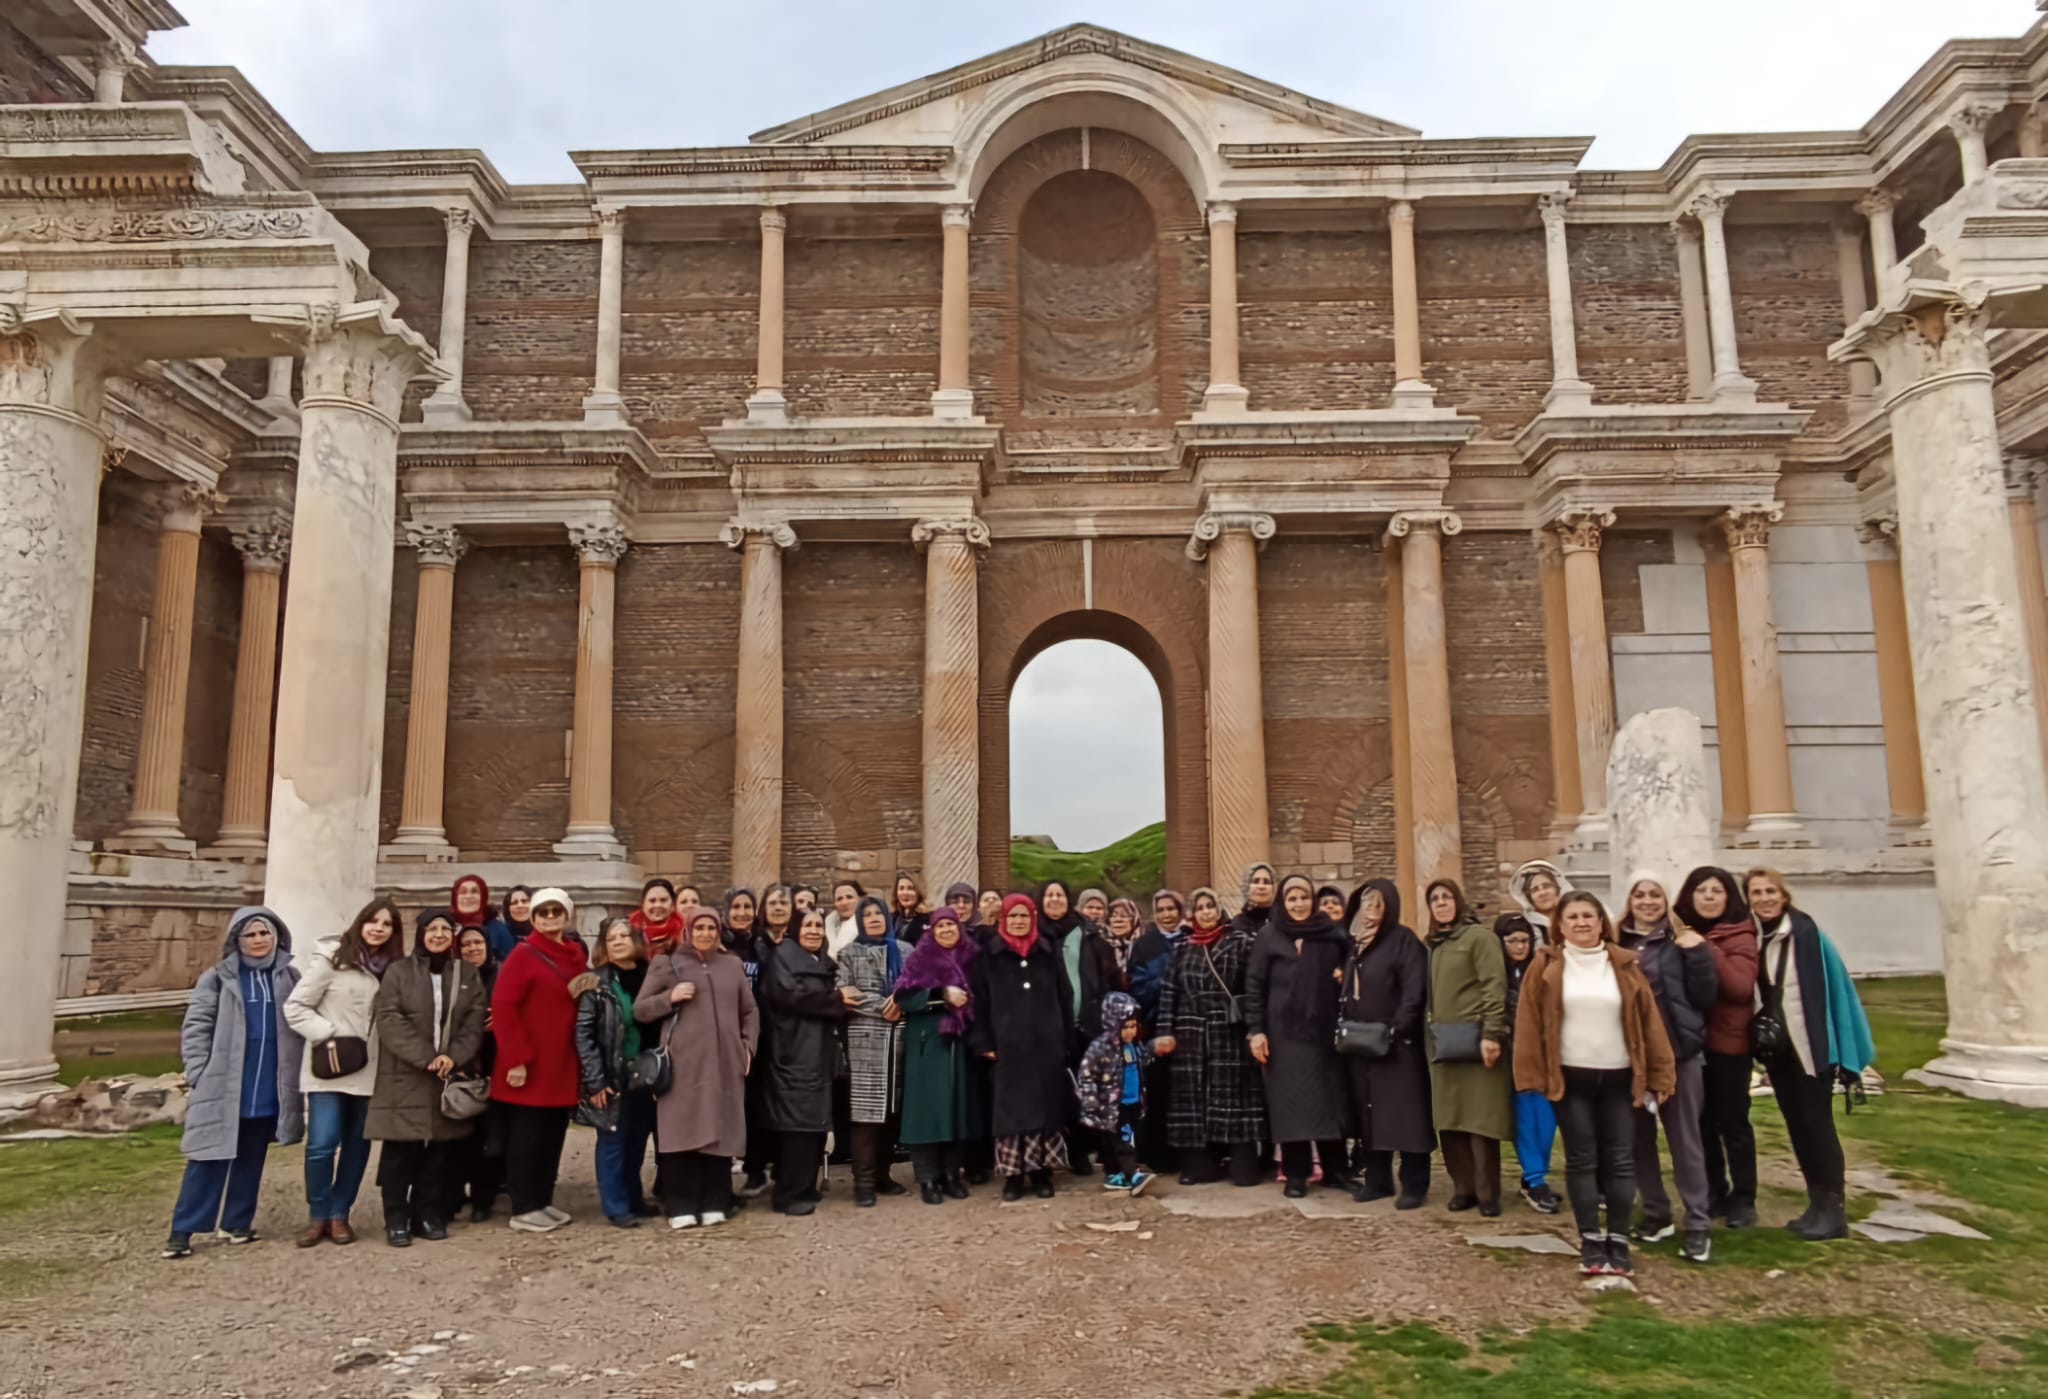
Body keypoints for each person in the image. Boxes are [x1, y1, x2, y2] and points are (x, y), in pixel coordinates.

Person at [1513, 891, 1676, 1278]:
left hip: (1620, 1076)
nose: (1582, 923)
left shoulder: (1624, 965)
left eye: (1589, 916)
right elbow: (1529, 1023)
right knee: (1581, 1158)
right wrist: (1530, 1075)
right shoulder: (1547, 965)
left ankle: (1618, 1241)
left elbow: (1649, 1021)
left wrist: (1661, 1073)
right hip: (1571, 1077)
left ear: (1602, 922)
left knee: (1620, 1158)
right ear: (1561, 925)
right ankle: (1590, 1241)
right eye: (1573, 917)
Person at [162, 907, 304, 1260]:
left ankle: (237, 1222)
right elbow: (196, 1027)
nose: (258, 940)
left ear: (276, 936)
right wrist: (198, 1072)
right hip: (225, 1085)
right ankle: (183, 1230)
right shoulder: (218, 978)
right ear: (236, 940)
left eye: (264, 933)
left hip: (268, 1086)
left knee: (251, 1158)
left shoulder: (289, 977)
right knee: (207, 1159)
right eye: (251, 935)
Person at [1746, 869, 1876, 1242]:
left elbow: (1833, 990)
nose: (1764, 898)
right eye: (1756, 892)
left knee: (1818, 1128)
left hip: (1811, 1048)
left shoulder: (1806, 934)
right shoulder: (1760, 936)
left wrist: (1841, 1048)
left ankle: (1833, 1209)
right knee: (1799, 1127)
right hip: (1782, 1050)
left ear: (1784, 895)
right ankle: (1816, 1204)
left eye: (1770, 891)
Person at [367, 909, 487, 1247]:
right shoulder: (398, 972)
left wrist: (453, 1057)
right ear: (420, 934)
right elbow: (389, 1018)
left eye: (445, 929)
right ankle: (395, 1217)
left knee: (437, 1152)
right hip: (406, 1073)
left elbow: (473, 1022)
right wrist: (426, 1057)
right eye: (431, 929)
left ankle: (426, 1212)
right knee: (399, 1151)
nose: (438, 935)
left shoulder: (466, 973)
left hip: (444, 1074)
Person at [284, 897, 399, 1247]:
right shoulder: (332, 961)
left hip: (370, 1069)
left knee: (357, 1145)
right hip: (330, 1067)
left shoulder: (393, 969)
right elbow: (296, 1007)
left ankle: (339, 1214)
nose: (378, 928)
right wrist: (329, 1035)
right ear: (360, 923)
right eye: (372, 921)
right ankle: (317, 1213)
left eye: (387, 924)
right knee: (321, 1144)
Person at [1617, 871, 1718, 1263]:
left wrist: (1696, 954)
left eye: (1654, 894)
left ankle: (1697, 1222)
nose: (1646, 901)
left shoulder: (1683, 941)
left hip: (1678, 1052)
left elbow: (1705, 995)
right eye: (1639, 894)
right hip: (1631, 1056)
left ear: (1666, 900)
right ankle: (1656, 1213)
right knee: (1637, 1139)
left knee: (1684, 1139)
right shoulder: (1616, 943)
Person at [636, 905, 758, 1229]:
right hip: (682, 1065)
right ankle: (680, 1204)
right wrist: (670, 998)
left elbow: (750, 1010)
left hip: (725, 1064)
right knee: (681, 1134)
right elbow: (641, 1010)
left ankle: (716, 1200)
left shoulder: (731, 965)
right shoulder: (668, 964)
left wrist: (748, 1047)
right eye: (700, 928)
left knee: (720, 1131)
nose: (705, 934)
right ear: (688, 931)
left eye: (712, 929)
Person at [489, 886, 590, 1233]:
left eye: (556, 912)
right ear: (532, 918)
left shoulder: (574, 955)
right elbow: (504, 1007)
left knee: (552, 1135)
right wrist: (516, 1058)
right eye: (543, 913)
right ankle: (523, 1205)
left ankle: (542, 1200)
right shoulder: (523, 955)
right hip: (529, 1063)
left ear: (566, 915)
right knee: (526, 1137)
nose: (550, 918)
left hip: (561, 1062)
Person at [1246, 873, 1351, 1197]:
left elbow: (1350, 969)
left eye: (1304, 897)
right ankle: (1295, 1174)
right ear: (1283, 902)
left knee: (1328, 1103)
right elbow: (1254, 986)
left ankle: (1335, 1172)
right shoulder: (1269, 936)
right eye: (1292, 898)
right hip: (1283, 1034)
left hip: (1323, 1030)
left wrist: (1341, 974)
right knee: (1291, 1106)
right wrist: (1256, 1031)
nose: (1299, 904)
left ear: (1313, 899)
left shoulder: (1331, 934)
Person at [1154, 887, 1266, 1187]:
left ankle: (1242, 1162)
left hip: (1230, 1031)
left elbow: (1254, 988)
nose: (1205, 911)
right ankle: (1200, 1162)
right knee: (1195, 1101)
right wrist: (1164, 1031)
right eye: (1199, 906)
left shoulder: (1241, 943)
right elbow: (1169, 993)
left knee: (1235, 1101)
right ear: (1192, 914)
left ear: (1219, 910)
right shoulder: (1182, 949)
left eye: (1210, 906)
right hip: (1190, 1033)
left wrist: (1256, 1028)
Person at [969, 894, 1076, 1200]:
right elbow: (980, 1001)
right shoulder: (989, 956)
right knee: (1011, 1111)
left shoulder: (1047, 952)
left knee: (1045, 1108)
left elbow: (1064, 996)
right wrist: (984, 1042)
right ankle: (1014, 1176)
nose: (1018, 921)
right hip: (1008, 1047)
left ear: (1033, 918)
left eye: (1024, 916)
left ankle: (1041, 1173)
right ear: (1003, 919)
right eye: (1012, 916)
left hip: (1046, 1045)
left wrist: (1065, 1037)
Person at [1339, 879, 1434, 1209]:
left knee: (1408, 1118)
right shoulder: (1357, 943)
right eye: (1368, 903)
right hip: (1362, 1045)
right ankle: (1377, 1180)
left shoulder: (1403, 941)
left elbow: (1413, 991)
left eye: (1380, 903)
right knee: (1371, 1116)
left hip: (1397, 1045)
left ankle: (1414, 1185)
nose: (1373, 909)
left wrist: (1397, 1029)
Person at [758, 908, 858, 1216]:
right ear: (794, 930)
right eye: (808, 926)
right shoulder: (782, 960)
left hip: (818, 1053)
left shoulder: (824, 963)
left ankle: (805, 1187)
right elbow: (791, 998)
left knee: (814, 1126)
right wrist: (836, 1001)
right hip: (793, 1052)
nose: (814, 931)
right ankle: (787, 1194)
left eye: (818, 926)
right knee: (796, 1127)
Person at [1675, 866, 1759, 1229]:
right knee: (1701, 1123)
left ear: (1729, 898)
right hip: (1693, 1044)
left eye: (1717, 891)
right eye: (1701, 891)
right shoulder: (1676, 936)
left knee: (1733, 1123)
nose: (1708, 897)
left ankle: (1743, 1199)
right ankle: (1712, 1191)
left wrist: (1704, 946)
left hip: (1729, 1044)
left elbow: (1740, 988)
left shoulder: (1740, 936)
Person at [1425, 879, 1511, 1217]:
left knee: (1480, 1121)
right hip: (1442, 1044)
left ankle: (1488, 1193)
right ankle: (1463, 1188)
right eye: (1435, 899)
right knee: (1450, 1120)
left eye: (1447, 897)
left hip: (1476, 1041)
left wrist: (1492, 1033)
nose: (1442, 903)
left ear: (1459, 902)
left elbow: (1494, 985)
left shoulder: (1479, 938)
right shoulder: (1433, 944)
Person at [894, 908, 989, 1203]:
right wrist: (941, 995)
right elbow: (904, 997)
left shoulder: (974, 957)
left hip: (961, 1045)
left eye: (951, 924)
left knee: (956, 1113)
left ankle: (951, 1174)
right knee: (926, 1115)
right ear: (931, 930)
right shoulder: (920, 958)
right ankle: (927, 1178)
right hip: (928, 1043)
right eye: (941, 925)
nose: (946, 929)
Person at [574, 918, 658, 1227]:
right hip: (612, 1074)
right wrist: (595, 1080)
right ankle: (616, 1205)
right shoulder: (595, 983)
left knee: (637, 1141)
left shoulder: (652, 977)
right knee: (613, 1140)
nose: (619, 941)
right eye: (612, 938)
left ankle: (634, 1198)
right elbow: (584, 1034)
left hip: (646, 1073)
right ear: (604, 946)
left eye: (625, 935)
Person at [1040, 878, 1119, 1173]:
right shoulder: (1036, 937)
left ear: (1068, 899)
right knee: (1064, 1093)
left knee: (1099, 1090)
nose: (1054, 900)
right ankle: (1076, 1152)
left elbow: (1109, 975)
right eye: (1048, 895)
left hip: (1091, 1024)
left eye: (1059, 894)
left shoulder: (1088, 933)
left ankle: (1108, 1153)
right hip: (1055, 1028)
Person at [837, 895, 912, 1204]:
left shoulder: (906, 951)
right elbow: (847, 994)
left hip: (899, 1038)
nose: (873, 919)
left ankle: (883, 1174)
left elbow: (916, 985)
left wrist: (903, 1001)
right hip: (865, 1040)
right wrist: (886, 1004)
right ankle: (863, 1183)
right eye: (866, 914)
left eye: (878, 913)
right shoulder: (848, 953)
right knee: (866, 1115)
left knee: (892, 1112)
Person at [1495, 912, 1559, 1216]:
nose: (1519, 947)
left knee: (1546, 1119)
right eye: (1512, 941)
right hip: (1512, 1052)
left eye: (1524, 940)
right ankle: (1535, 1178)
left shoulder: (1542, 967)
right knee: (1525, 1119)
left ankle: (1535, 1174)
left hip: (1543, 1050)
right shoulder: (1498, 972)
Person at [740, 884, 798, 1196]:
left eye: (783, 903)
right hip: (760, 1031)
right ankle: (755, 1167)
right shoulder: (754, 942)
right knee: (755, 1103)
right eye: (773, 902)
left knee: (785, 1101)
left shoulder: (800, 939)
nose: (778, 908)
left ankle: (783, 1166)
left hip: (791, 1033)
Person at [1076, 990, 1161, 1195]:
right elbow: (1086, 1074)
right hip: (1113, 1107)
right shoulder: (1101, 1047)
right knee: (1124, 1141)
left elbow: (1143, 1061)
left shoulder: (1134, 1046)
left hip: (1133, 1103)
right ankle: (1133, 1175)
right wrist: (1091, 1101)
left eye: (1133, 1026)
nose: (1130, 1032)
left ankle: (1116, 1174)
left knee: (1127, 1139)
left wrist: (1153, 1050)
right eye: (1126, 1027)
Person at [453, 925, 504, 1221]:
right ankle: (456, 1193)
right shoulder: (453, 976)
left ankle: (484, 1199)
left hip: (494, 1060)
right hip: (462, 1062)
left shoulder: (501, 974)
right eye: (466, 944)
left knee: (490, 1135)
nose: (473, 948)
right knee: (460, 1134)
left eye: (478, 942)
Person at [453, 873, 513, 963]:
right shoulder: (446, 927)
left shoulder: (498, 930)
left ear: (483, 897)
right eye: (463, 892)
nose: (468, 896)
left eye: (474, 891)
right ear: (455, 898)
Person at [1510, 860, 1572, 946]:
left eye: (1547, 886)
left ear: (1557, 889)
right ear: (1529, 897)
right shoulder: (1521, 928)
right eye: (1535, 889)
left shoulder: (1572, 922)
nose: (1542, 893)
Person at [631, 878, 684, 957]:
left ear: (673, 905)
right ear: (643, 905)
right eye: (652, 901)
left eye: (663, 900)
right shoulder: (629, 932)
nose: (658, 905)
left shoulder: (685, 932)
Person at [1233, 862, 1278, 935]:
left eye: (1266, 882)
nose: (1261, 887)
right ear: (1247, 887)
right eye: (1256, 881)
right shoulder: (1237, 925)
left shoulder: (1283, 922)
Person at [888, 870, 931, 946]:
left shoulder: (928, 919)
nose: (905, 892)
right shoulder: (891, 919)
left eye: (910, 888)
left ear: (919, 892)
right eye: (901, 888)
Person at [825, 879, 866, 955]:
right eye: (839, 899)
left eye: (849, 897)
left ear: (861, 899)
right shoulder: (827, 926)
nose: (844, 903)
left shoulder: (868, 927)